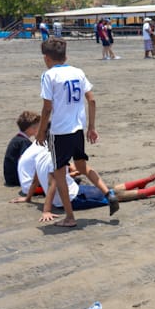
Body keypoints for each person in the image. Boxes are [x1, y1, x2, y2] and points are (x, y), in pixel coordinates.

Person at [36, 39, 118, 227]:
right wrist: (91, 127)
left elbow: (47, 108)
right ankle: (108, 193)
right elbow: (92, 100)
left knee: (59, 174)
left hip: (59, 132)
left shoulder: (49, 75)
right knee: (81, 166)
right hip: (78, 129)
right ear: (65, 56)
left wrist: (41, 132)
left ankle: (70, 217)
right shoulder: (78, 72)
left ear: (46, 58)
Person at [11, 146, 155, 220]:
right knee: (113, 195)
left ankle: (142, 182)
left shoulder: (40, 156)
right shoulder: (53, 159)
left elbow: (36, 179)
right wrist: (46, 210)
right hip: (73, 197)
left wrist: (28, 198)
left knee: (106, 188)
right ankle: (153, 191)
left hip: (74, 189)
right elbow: (53, 184)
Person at [3, 111, 40, 186]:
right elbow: (25, 160)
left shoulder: (17, 139)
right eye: (37, 127)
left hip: (10, 177)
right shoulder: (24, 142)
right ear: (30, 128)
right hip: (17, 178)